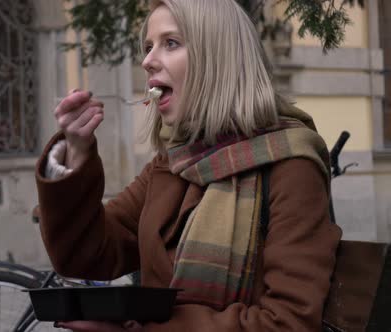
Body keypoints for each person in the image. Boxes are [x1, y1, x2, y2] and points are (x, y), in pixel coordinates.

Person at [35, 0, 342, 331]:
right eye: (148, 47)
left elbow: (288, 323)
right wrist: (76, 152)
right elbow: (88, 253)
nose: (148, 61)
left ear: (218, 57)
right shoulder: (174, 162)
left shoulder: (291, 167)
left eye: (171, 43)